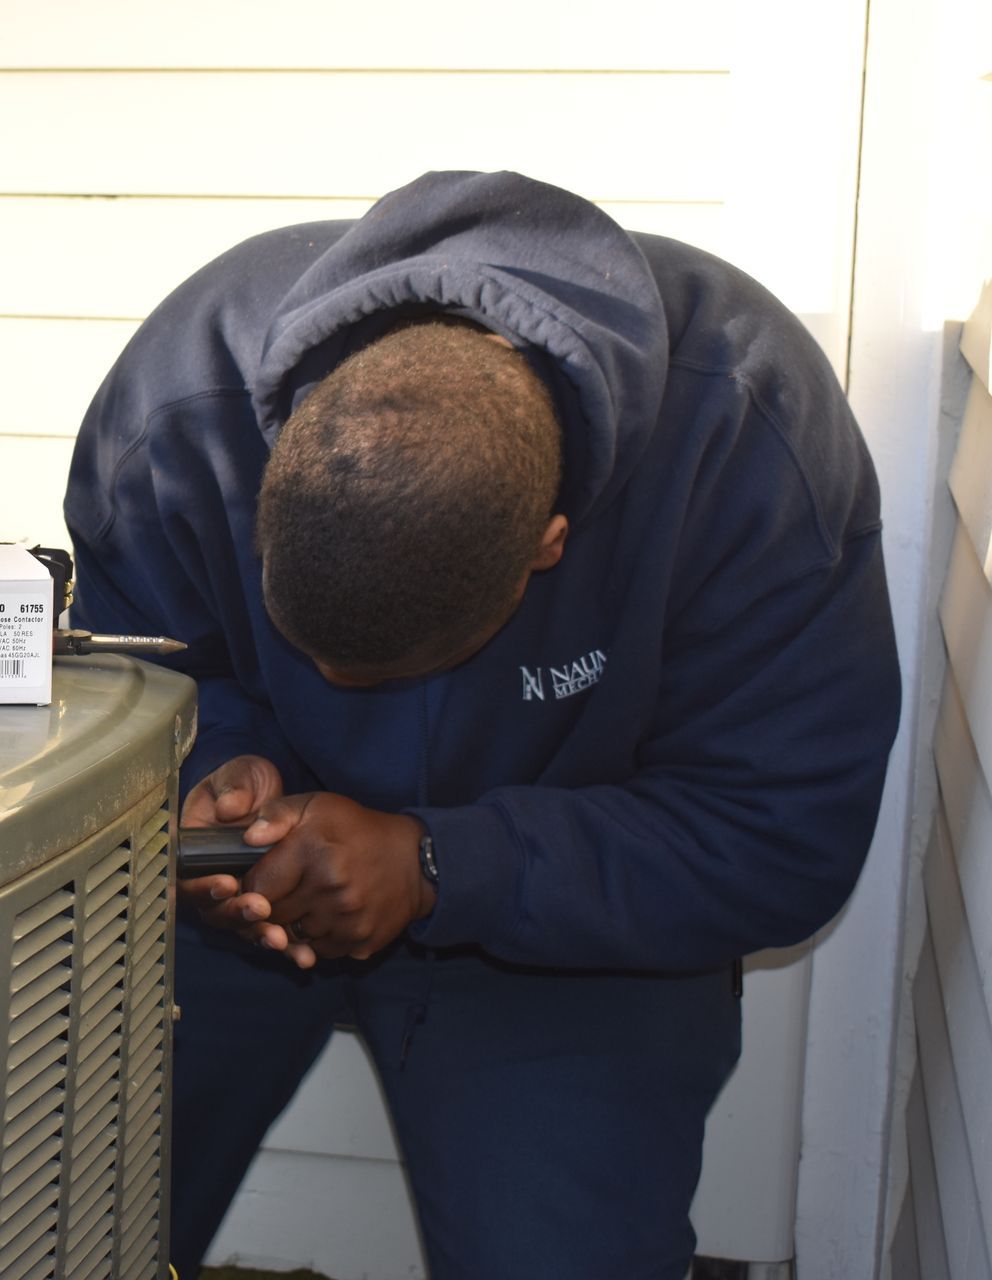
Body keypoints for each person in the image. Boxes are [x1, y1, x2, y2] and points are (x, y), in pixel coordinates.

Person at [62, 170, 901, 1278]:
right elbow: (143, 681)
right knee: (38, 1209)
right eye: (299, 644)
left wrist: (440, 863)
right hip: (245, 895)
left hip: (578, 909)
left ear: (548, 547)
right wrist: (218, 769)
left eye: (376, 669)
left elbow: (773, 835)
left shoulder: (746, 436)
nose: (328, 684)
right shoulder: (189, 397)